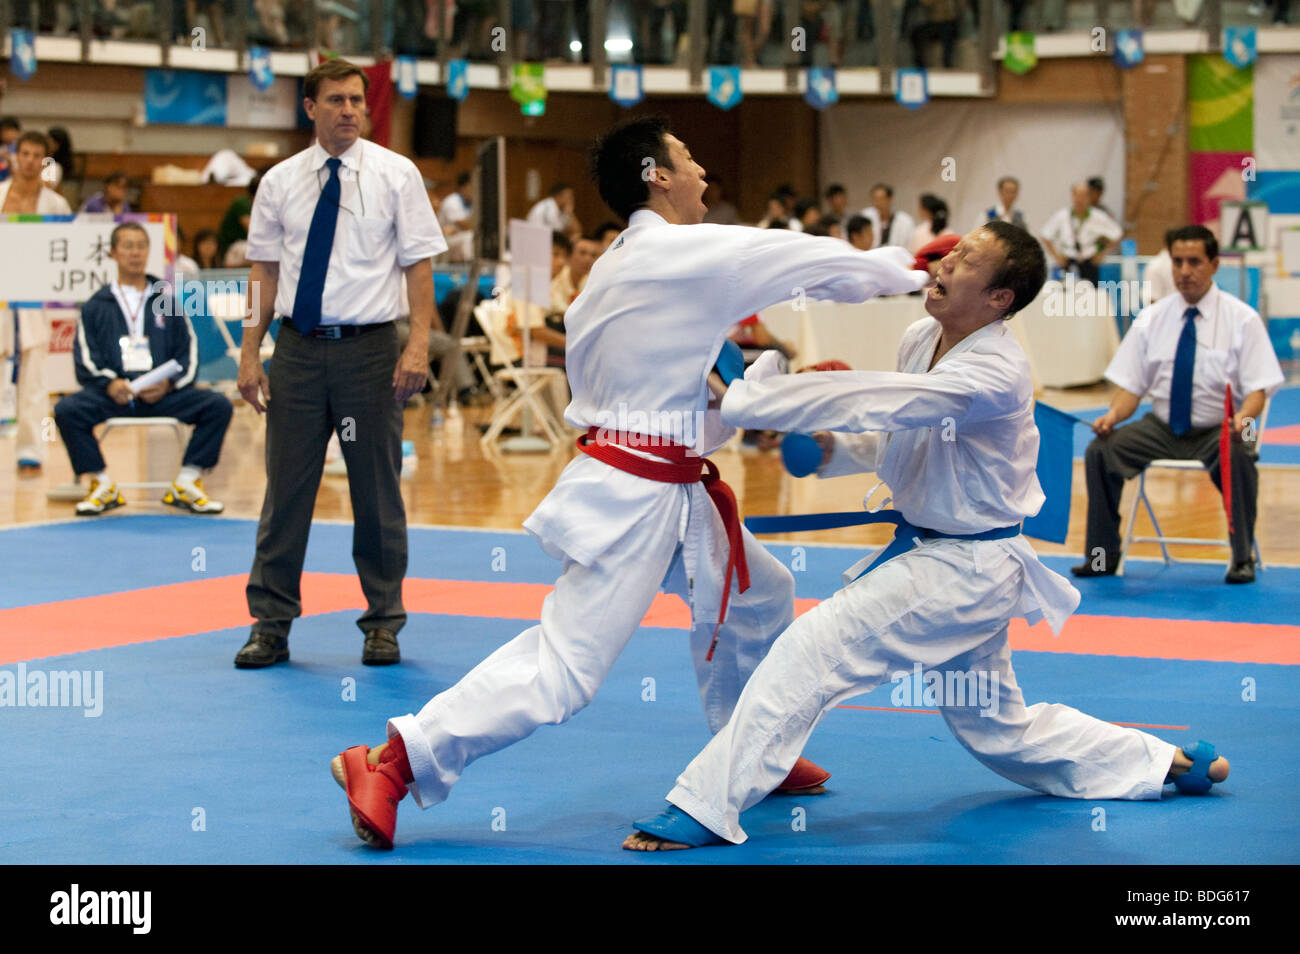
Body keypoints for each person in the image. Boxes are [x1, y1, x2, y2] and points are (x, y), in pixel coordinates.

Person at [330, 114, 929, 850]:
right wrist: (914, 270)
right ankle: (393, 762)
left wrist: (771, 391)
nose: (704, 172)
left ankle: (750, 756)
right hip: (637, 495)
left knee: (760, 596)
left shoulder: (615, 276)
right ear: (656, 176)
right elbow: (802, 258)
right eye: (689, 159)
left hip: (665, 483)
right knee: (565, 669)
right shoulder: (678, 252)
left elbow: (673, 391)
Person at [622, 222, 1232, 851]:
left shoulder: (996, 370)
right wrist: (831, 448)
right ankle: (1167, 765)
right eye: (953, 249)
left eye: (967, 259)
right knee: (1001, 731)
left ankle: (703, 805)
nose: (944, 261)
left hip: (964, 568)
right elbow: (901, 433)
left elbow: (891, 401)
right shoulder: (921, 337)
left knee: (813, 647)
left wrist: (761, 396)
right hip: (942, 557)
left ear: (1000, 297)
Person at [234, 58, 446, 669]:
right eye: (336, 100)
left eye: (357, 99)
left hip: (372, 351)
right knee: (286, 494)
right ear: (311, 108)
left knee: (376, 492)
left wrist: (417, 345)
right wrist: (251, 353)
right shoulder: (278, 182)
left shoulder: (396, 175)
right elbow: (265, 272)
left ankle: (383, 623)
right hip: (298, 351)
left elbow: (420, 265)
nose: (350, 109)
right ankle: (270, 625)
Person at [1072, 225, 1283, 585]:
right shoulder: (1152, 319)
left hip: (1220, 428)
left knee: (1241, 451)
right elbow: (1130, 388)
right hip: (1162, 427)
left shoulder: (1242, 320)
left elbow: (1258, 391)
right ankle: (1101, 554)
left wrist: (1243, 420)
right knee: (1101, 450)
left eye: (1195, 262)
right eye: (1178, 262)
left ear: (1215, 264)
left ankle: (1242, 555)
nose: (1185, 271)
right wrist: (1112, 415)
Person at [53, 223, 233, 515]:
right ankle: (100, 484)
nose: (135, 253)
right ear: (112, 253)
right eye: (127, 246)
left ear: (149, 252)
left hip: (163, 395)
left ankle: (187, 481)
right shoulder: (95, 305)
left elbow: (189, 355)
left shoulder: (168, 301)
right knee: (67, 410)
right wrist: (111, 384)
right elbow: (86, 359)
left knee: (218, 406)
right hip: (115, 395)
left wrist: (169, 385)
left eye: (140, 246)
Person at [1, 130, 72, 473]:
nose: (29, 161)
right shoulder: (0, 194)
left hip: (35, 299)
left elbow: (68, 251)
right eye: (24, 153)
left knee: (35, 377)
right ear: (15, 155)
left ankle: (30, 452)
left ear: (44, 162)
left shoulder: (55, 205)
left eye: (36, 156)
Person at [1040, 181, 1122, 285]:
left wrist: (1102, 254)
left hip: (1089, 262)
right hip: (1068, 261)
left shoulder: (1098, 216)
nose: (1080, 199)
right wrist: (1056, 256)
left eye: (1084, 195)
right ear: (1072, 196)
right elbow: (1045, 235)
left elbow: (1117, 233)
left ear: (1089, 197)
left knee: (1090, 295)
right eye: (1077, 195)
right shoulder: (1062, 215)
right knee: (1066, 295)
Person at [861, 182, 915, 251]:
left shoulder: (905, 221)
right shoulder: (865, 216)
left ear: (890, 199)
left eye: (881, 199)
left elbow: (909, 245)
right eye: (875, 199)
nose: (877, 203)